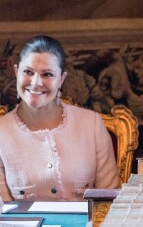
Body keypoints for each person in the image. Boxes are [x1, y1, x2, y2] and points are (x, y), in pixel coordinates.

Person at [0, 35, 120, 201]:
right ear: (16, 72)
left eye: (47, 74)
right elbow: (2, 214)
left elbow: (109, 200)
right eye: (28, 72)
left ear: (61, 79)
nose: (35, 83)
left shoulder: (91, 124)